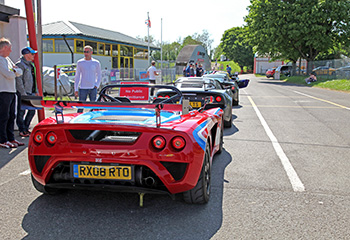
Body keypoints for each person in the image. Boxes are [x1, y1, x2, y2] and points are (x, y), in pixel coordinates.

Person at [0, 38, 24, 148]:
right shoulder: (0, 60)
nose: (11, 50)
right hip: (3, 91)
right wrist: (14, 71)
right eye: (9, 48)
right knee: (4, 116)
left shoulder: (8, 60)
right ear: (4, 48)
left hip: (11, 91)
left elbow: (20, 71)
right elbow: (8, 74)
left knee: (11, 116)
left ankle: (11, 138)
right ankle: (2, 139)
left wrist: (14, 71)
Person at [15, 47, 37, 137]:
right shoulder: (20, 64)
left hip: (31, 91)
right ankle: (22, 129)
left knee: (32, 111)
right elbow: (18, 80)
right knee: (21, 111)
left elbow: (34, 79)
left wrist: (36, 91)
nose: (33, 55)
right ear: (26, 54)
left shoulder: (31, 65)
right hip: (24, 92)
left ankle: (26, 127)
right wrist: (22, 92)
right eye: (32, 54)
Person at [74, 46, 101, 112]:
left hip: (92, 87)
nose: (86, 53)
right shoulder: (80, 62)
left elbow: (99, 75)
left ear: (91, 52)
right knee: (80, 106)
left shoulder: (96, 63)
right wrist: (76, 88)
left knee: (93, 106)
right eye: (84, 52)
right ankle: (79, 121)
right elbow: (77, 76)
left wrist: (97, 85)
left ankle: (93, 120)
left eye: (87, 52)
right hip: (83, 87)